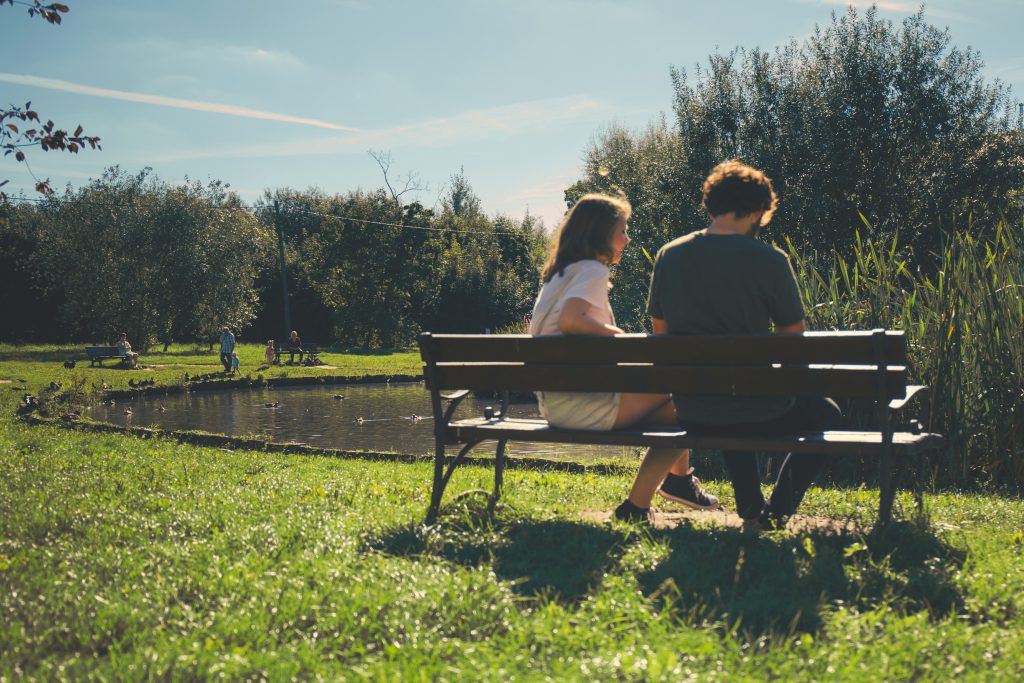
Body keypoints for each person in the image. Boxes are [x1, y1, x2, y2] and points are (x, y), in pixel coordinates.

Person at [647, 160, 842, 531]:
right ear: (757, 210)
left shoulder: (669, 255)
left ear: (711, 203)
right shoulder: (769, 260)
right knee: (826, 413)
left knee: (729, 397)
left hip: (692, 407)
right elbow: (793, 339)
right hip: (757, 406)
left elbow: (661, 334)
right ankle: (776, 511)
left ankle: (752, 507)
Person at [528, 193, 719, 521]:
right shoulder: (591, 270)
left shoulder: (559, 275)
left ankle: (677, 481)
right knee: (695, 404)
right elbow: (571, 320)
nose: (627, 239)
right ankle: (651, 496)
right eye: (622, 230)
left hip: (558, 404)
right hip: (584, 405)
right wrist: (620, 338)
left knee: (680, 408)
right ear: (600, 234)